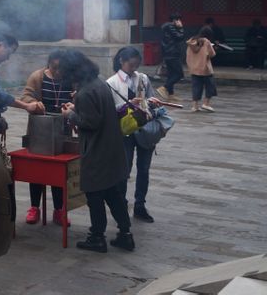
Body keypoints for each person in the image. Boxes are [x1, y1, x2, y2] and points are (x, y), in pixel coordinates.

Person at [59, 50, 133, 253]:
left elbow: (90, 122)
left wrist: (70, 114)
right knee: (113, 194)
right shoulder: (99, 83)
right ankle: (126, 234)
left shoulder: (85, 92)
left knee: (94, 195)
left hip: (97, 152)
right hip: (112, 149)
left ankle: (97, 237)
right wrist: (77, 108)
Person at [107, 46, 165, 224]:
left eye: (136, 65)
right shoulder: (112, 83)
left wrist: (151, 102)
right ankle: (121, 204)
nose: (134, 69)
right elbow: (110, 111)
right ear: (121, 62)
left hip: (144, 128)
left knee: (144, 170)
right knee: (124, 171)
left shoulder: (143, 78)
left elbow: (149, 100)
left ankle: (140, 205)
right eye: (131, 65)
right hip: (125, 131)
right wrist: (128, 105)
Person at [19, 49, 73, 226]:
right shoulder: (37, 77)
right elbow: (25, 96)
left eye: (61, 68)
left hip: (62, 130)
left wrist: (74, 103)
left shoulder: (70, 79)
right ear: (49, 63)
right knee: (36, 170)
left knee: (60, 172)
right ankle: (34, 207)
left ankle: (59, 210)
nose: (58, 72)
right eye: (55, 67)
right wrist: (33, 103)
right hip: (39, 130)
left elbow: (78, 98)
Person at [187, 26, 217, 113]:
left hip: (194, 68)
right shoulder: (206, 41)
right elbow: (212, 54)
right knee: (210, 86)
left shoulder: (191, 41)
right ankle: (206, 103)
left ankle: (194, 106)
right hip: (205, 68)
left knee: (196, 87)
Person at [158, 13, 186, 101]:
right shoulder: (171, 27)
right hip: (173, 54)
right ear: (175, 20)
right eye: (179, 20)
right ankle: (164, 87)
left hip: (167, 54)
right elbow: (180, 37)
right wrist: (181, 28)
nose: (180, 22)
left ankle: (171, 94)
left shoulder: (166, 27)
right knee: (179, 74)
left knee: (171, 74)